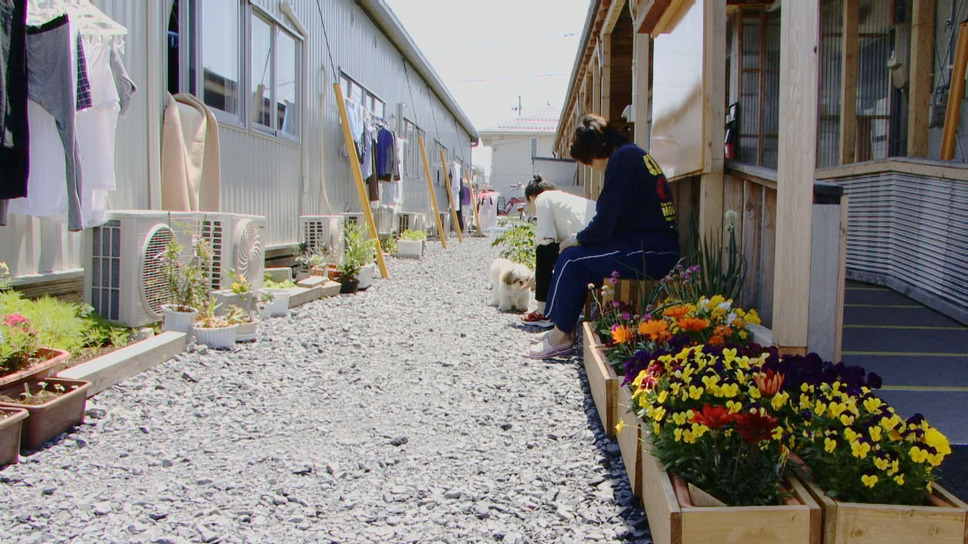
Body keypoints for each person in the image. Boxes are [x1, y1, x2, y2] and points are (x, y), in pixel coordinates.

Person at [525, 113, 680, 359]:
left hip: (650, 250)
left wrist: (578, 238)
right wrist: (582, 238)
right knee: (574, 256)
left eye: (589, 163)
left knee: (573, 259)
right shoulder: (631, 154)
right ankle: (560, 329)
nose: (593, 169)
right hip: (653, 245)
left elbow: (606, 219)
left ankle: (561, 336)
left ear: (595, 153)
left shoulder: (621, 160)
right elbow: (615, 218)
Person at [520, 175, 596, 326]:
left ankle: (542, 312)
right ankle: (559, 309)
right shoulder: (563, 198)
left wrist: (538, 275)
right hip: (600, 239)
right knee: (553, 252)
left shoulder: (542, 199)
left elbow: (545, 241)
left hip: (587, 242)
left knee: (542, 251)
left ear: (531, 198)